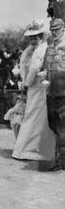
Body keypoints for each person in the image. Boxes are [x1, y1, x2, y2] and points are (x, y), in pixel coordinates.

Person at [12, 20, 56, 161]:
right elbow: (25, 67)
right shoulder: (29, 51)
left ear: (41, 36)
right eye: (31, 37)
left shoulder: (42, 49)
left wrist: (26, 82)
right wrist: (24, 80)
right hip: (32, 88)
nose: (33, 39)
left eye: (35, 37)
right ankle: (29, 148)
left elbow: (35, 68)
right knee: (32, 115)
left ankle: (32, 148)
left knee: (36, 116)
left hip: (39, 87)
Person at [43, 18, 65, 171]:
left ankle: (60, 161)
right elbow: (45, 67)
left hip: (64, 93)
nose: (54, 32)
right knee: (53, 125)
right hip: (50, 93)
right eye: (52, 30)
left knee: (63, 127)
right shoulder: (49, 48)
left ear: (63, 29)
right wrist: (43, 76)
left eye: (57, 29)